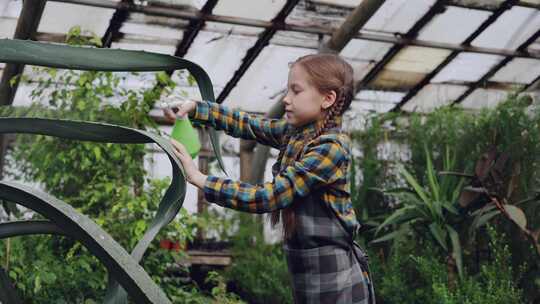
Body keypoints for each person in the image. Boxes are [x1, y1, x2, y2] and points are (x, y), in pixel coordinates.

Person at [164, 53, 375, 304]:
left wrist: (201, 179)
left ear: (328, 99)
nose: (286, 99)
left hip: (334, 276)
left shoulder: (330, 148)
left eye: (296, 91)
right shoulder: (296, 135)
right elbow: (250, 125)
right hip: (307, 270)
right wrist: (198, 109)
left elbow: (270, 197)